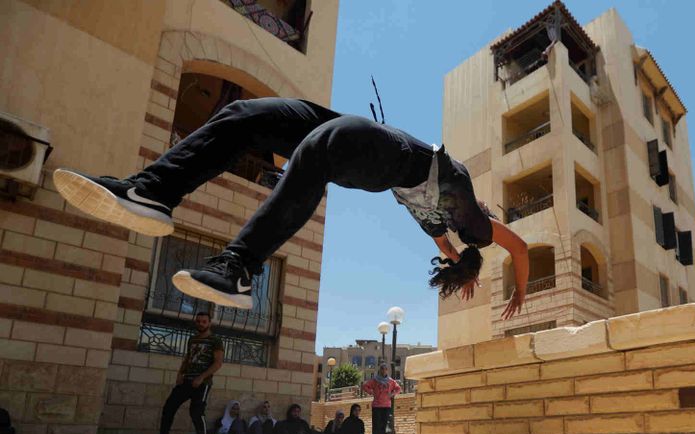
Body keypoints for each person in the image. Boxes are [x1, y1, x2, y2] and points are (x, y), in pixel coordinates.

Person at [52, 98, 528, 316]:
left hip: (381, 156)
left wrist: (515, 287)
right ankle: (151, 191)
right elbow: (448, 251)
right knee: (245, 115)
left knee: (323, 146)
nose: (489, 214)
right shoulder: (440, 230)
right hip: (371, 140)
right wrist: (462, 272)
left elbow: (520, 248)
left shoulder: (475, 225)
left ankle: (238, 267)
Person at [141, 312, 224, 434]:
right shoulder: (192, 339)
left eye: (204, 321)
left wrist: (202, 377)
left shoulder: (215, 340)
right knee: (169, 406)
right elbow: (188, 358)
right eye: (198, 321)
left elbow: (218, 363)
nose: (200, 324)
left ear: (209, 323)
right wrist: (180, 373)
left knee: (197, 412)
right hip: (186, 380)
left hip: (202, 383)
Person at [362, 363, 401, 434]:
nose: (384, 370)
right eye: (382, 369)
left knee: (383, 426)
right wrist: (371, 392)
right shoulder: (374, 380)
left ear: (387, 370)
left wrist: (392, 394)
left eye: (385, 369)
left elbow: (398, 388)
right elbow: (365, 386)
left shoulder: (390, 381)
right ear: (380, 370)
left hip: (386, 406)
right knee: (376, 426)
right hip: (376, 405)